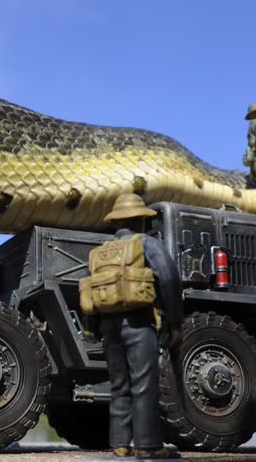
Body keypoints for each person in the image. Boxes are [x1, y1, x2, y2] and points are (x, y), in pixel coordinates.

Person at [81, 193, 183, 459]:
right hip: (138, 322)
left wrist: (91, 329)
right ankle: (149, 446)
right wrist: (174, 323)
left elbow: (90, 291)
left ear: (116, 223)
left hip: (108, 327)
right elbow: (169, 279)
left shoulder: (100, 252)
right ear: (139, 220)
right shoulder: (146, 243)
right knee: (144, 384)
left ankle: (120, 444)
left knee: (119, 384)